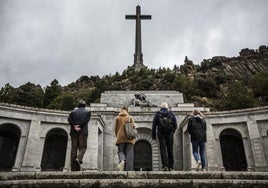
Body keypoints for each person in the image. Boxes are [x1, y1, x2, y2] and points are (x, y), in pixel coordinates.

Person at [152, 102, 177, 171]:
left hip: (161, 133)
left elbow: (154, 125)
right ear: (167, 107)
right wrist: (172, 131)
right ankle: (171, 166)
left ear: (161, 108)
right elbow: (175, 124)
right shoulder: (171, 114)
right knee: (170, 150)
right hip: (170, 134)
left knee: (163, 149)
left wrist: (153, 135)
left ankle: (165, 166)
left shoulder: (158, 114)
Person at [68, 100, 91, 171]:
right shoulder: (88, 112)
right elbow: (86, 121)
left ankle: (73, 167)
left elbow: (69, 120)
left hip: (73, 132)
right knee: (83, 147)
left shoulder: (72, 112)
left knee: (74, 149)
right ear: (84, 105)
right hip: (83, 132)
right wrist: (80, 127)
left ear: (78, 106)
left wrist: (74, 126)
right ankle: (79, 159)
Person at [114, 106, 136, 171]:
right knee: (129, 153)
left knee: (120, 151)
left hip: (120, 138)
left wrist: (117, 136)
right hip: (130, 138)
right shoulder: (130, 117)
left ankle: (122, 160)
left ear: (121, 110)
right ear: (127, 110)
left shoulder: (117, 118)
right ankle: (128, 169)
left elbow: (115, 129)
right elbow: (134, 127)